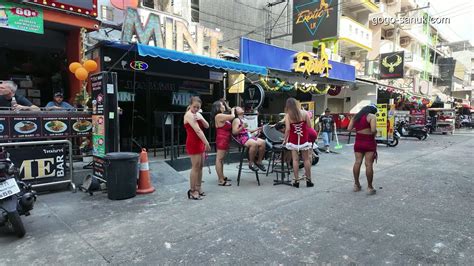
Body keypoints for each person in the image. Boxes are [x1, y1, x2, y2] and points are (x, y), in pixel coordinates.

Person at [183, 96, 211, 200]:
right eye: (194, 107)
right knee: (195, 167)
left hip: (200, 142)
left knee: (200, 166)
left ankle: (198, 187)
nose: (196, 109)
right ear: (190, 105)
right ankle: (192, 190)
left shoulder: (197, 114)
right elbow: (198, 130)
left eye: (198, 107)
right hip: (193, 142)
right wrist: (207, 143)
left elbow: (207, 126)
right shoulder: (189, 115)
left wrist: (201, 118)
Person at [347, 104, 378, 195]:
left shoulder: (356, 117)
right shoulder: (372, 116)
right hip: (369, 142)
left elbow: (349, 129)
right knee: (368, 164)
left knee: (357, 162)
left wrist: (359, 130)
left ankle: (356, 185)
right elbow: (373, 130)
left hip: (358, 142)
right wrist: (376, 132)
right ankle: (370, 187)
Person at [283, 98, 314, 188]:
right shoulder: (304, 113)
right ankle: (309, 181)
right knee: (306, 160)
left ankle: (296, 181)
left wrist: (284, 140)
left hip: (293, 140)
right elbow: (309, 126)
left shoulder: (288, 115)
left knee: (295, 160)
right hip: (304, 139)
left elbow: (288, 129)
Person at [232, 106, 266, 172]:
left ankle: (259, 161)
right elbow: (234, 132)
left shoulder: (243, 119)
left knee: (263, 142)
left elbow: (246, 131)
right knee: (254, 144)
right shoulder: (236, 120)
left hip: (247, 136)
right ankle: (251, 163)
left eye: (241, 107)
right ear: (236, 112)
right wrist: (242, 127)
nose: (241, 108)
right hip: (241, 137)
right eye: (238, 108)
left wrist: (257, 129)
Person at [211, 100, 234, 186]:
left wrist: (228, 106)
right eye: (222, 105)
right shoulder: (219, 115)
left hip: (224, 139)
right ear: (217, 108)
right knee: (219, 159)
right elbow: (232, 116)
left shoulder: (221, 115)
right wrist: (232, 111)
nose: (223, 107)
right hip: (222, 139)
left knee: (221, 159)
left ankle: (222, 176)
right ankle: (221, 180)